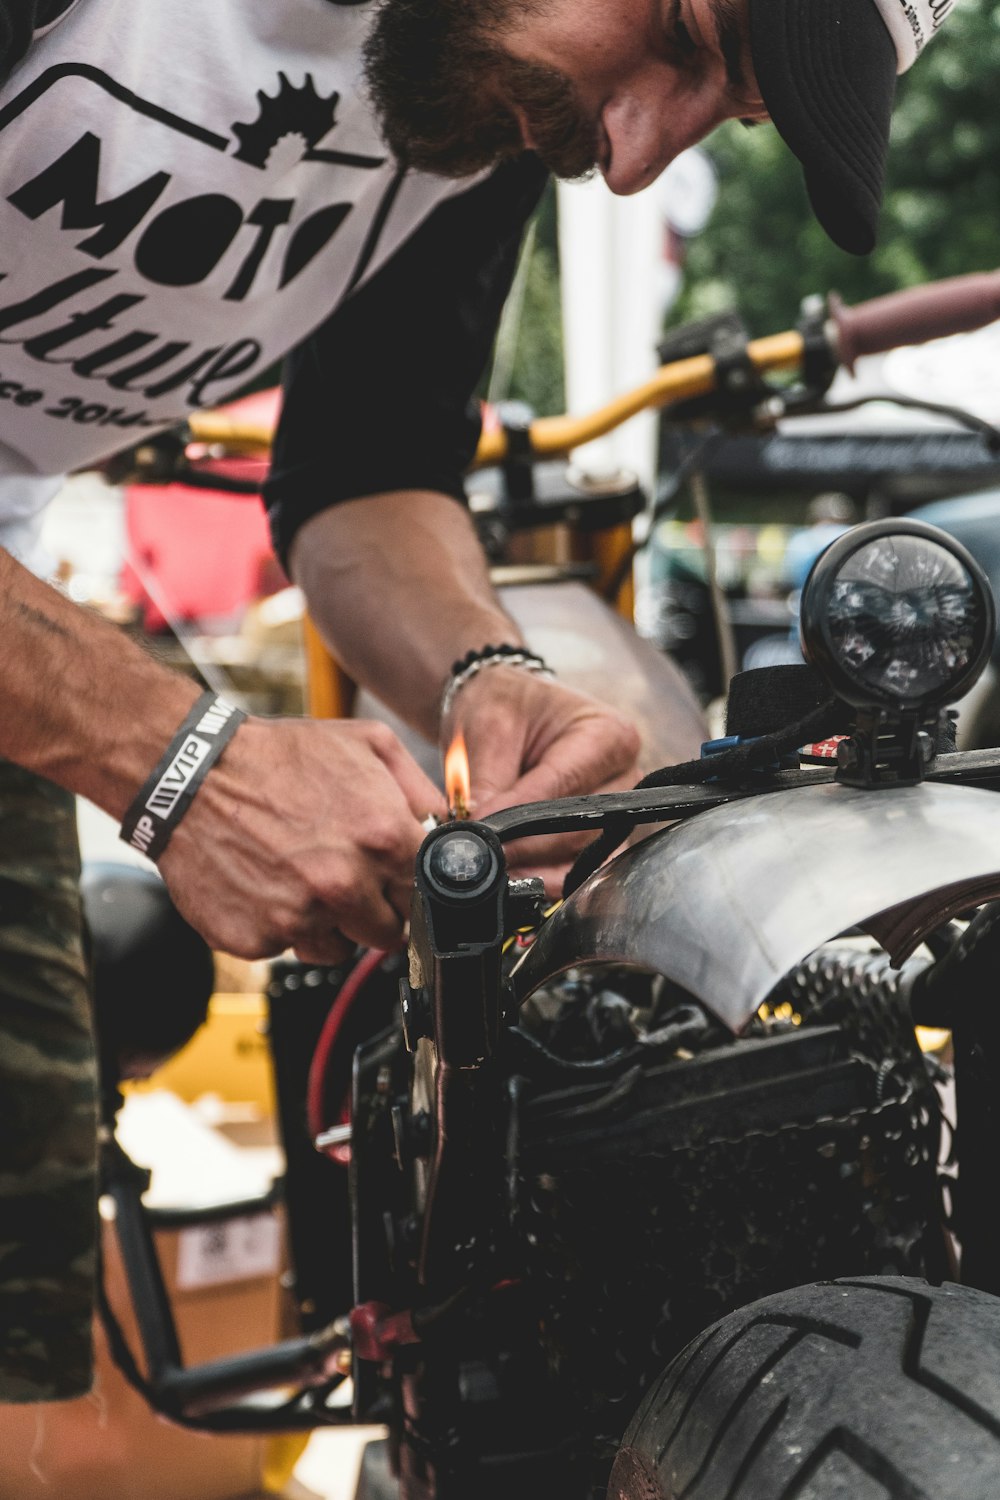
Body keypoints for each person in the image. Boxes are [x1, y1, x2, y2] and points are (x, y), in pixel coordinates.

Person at [0, 0, 952, 1407]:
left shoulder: (491, 85)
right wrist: (177, 757)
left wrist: (486, 669)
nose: (629, 160)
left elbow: (368, 470)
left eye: (723, 112)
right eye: (686, 32)